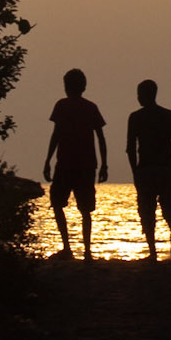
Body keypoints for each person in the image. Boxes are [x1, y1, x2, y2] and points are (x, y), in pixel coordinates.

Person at [43, 67, 108, 261]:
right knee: (84, 209)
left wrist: (47, 160)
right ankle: (85, 251)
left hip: (68, 163)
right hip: (84, 164)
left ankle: (69, 248)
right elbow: (101, 138)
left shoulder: (63, 106)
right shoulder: (90, 107)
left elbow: (56, 135)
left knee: (60, 204)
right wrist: (104, 164)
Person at [126, 79, 171, 261]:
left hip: (147, 169)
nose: (137, 97)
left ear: (145, 95)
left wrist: (135, 171)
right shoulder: (168, 115)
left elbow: (130, 148)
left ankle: (153, 252)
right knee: (169, 207)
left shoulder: (135, 117)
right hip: (165, 169)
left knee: (147, 210)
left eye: (139, 94)